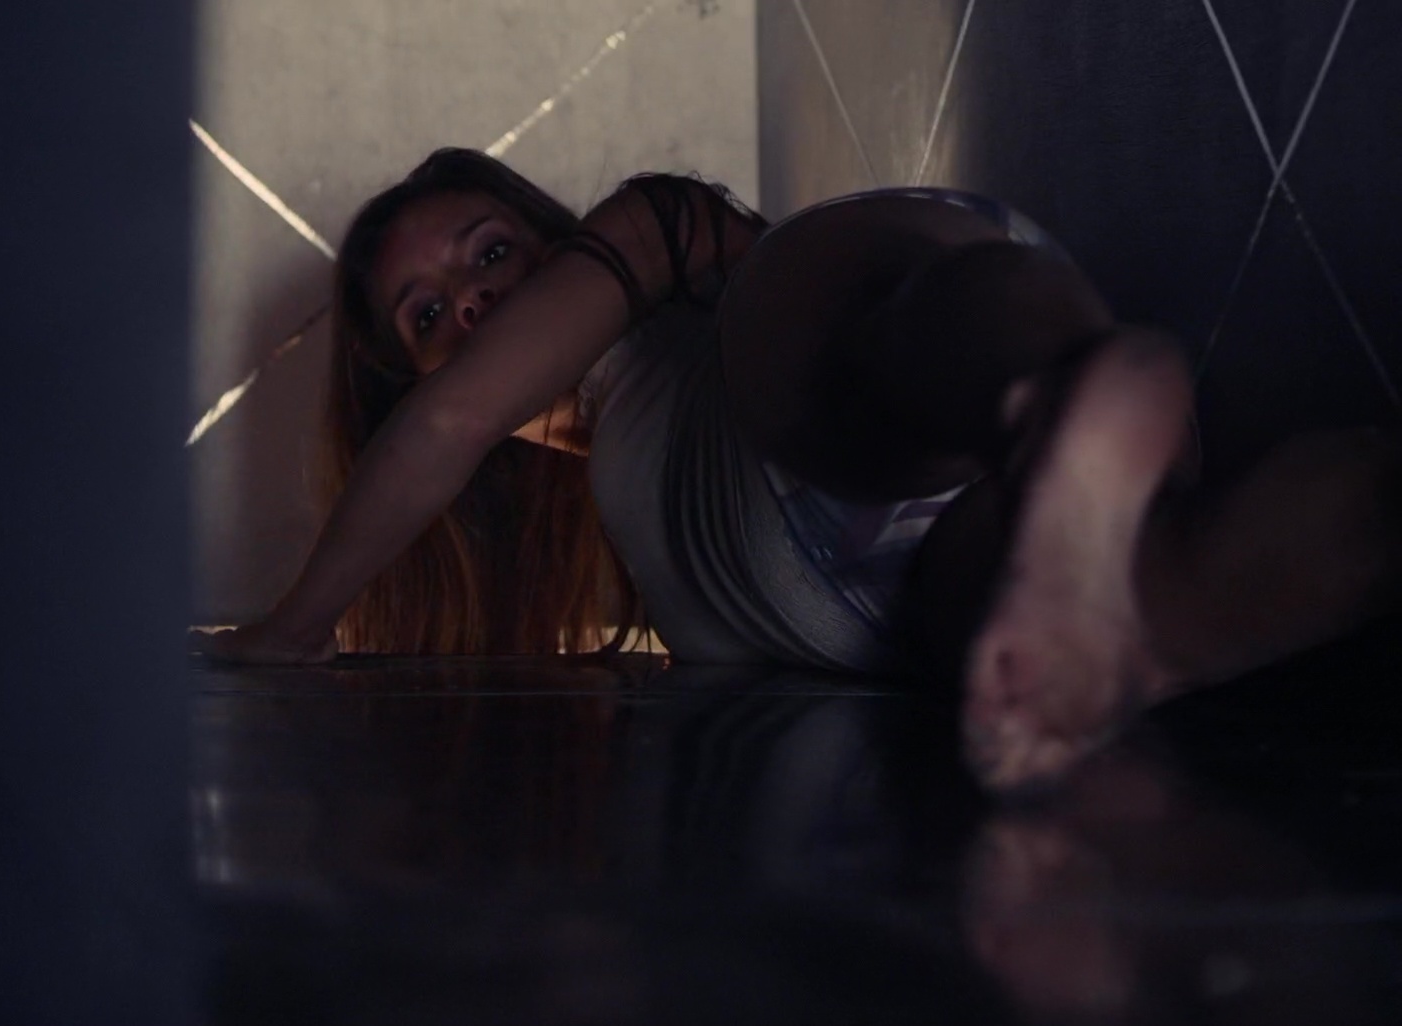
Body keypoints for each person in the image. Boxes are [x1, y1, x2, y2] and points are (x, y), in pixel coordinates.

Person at [195, 148, 1400, 791]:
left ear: (554, 236)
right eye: (429, 314)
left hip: (845, 354)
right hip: (894, 586)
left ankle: (1053, 382)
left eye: (492, 251)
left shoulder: (648, 240)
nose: (473, 300)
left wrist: (294, 627)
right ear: (407, 373)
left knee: (849, 337)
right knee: (1172, 596)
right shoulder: (619, 512)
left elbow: (454, 422)